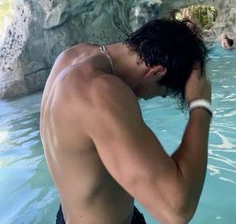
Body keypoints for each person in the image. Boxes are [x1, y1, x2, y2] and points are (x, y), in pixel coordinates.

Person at [40, 19, 212, 224]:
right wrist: (201, 106)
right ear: (156, 72)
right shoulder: (99, 91)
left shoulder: (72, 56)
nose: (152, 97)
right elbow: (177, 210)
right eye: (162, 93)